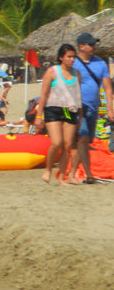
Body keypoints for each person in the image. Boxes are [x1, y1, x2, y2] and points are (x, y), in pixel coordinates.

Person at [69, 32, 114, 183]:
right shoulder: (73, 63)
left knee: (85, 141)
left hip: (94, 108)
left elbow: (107, 87)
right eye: (91, 44)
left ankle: (75, 172)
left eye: (95, 44)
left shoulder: (100, 63)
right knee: (82, 137)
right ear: (81, 47)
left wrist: (110, 108)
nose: (94, 47)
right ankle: (87, 173)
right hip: (77, 108)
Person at [35, 44, 83, 185]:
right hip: (53, 109)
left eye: (74, 57)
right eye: (69, 56)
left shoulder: (77, 74)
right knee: (57, 142)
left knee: (67, 146)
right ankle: (48, 170)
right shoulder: (52, 72)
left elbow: (78, 96)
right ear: (61, 57)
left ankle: (62, 178)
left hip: (68, 110)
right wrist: (38, 115)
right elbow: (44, 95)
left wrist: (80, 116)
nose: (72, 59)